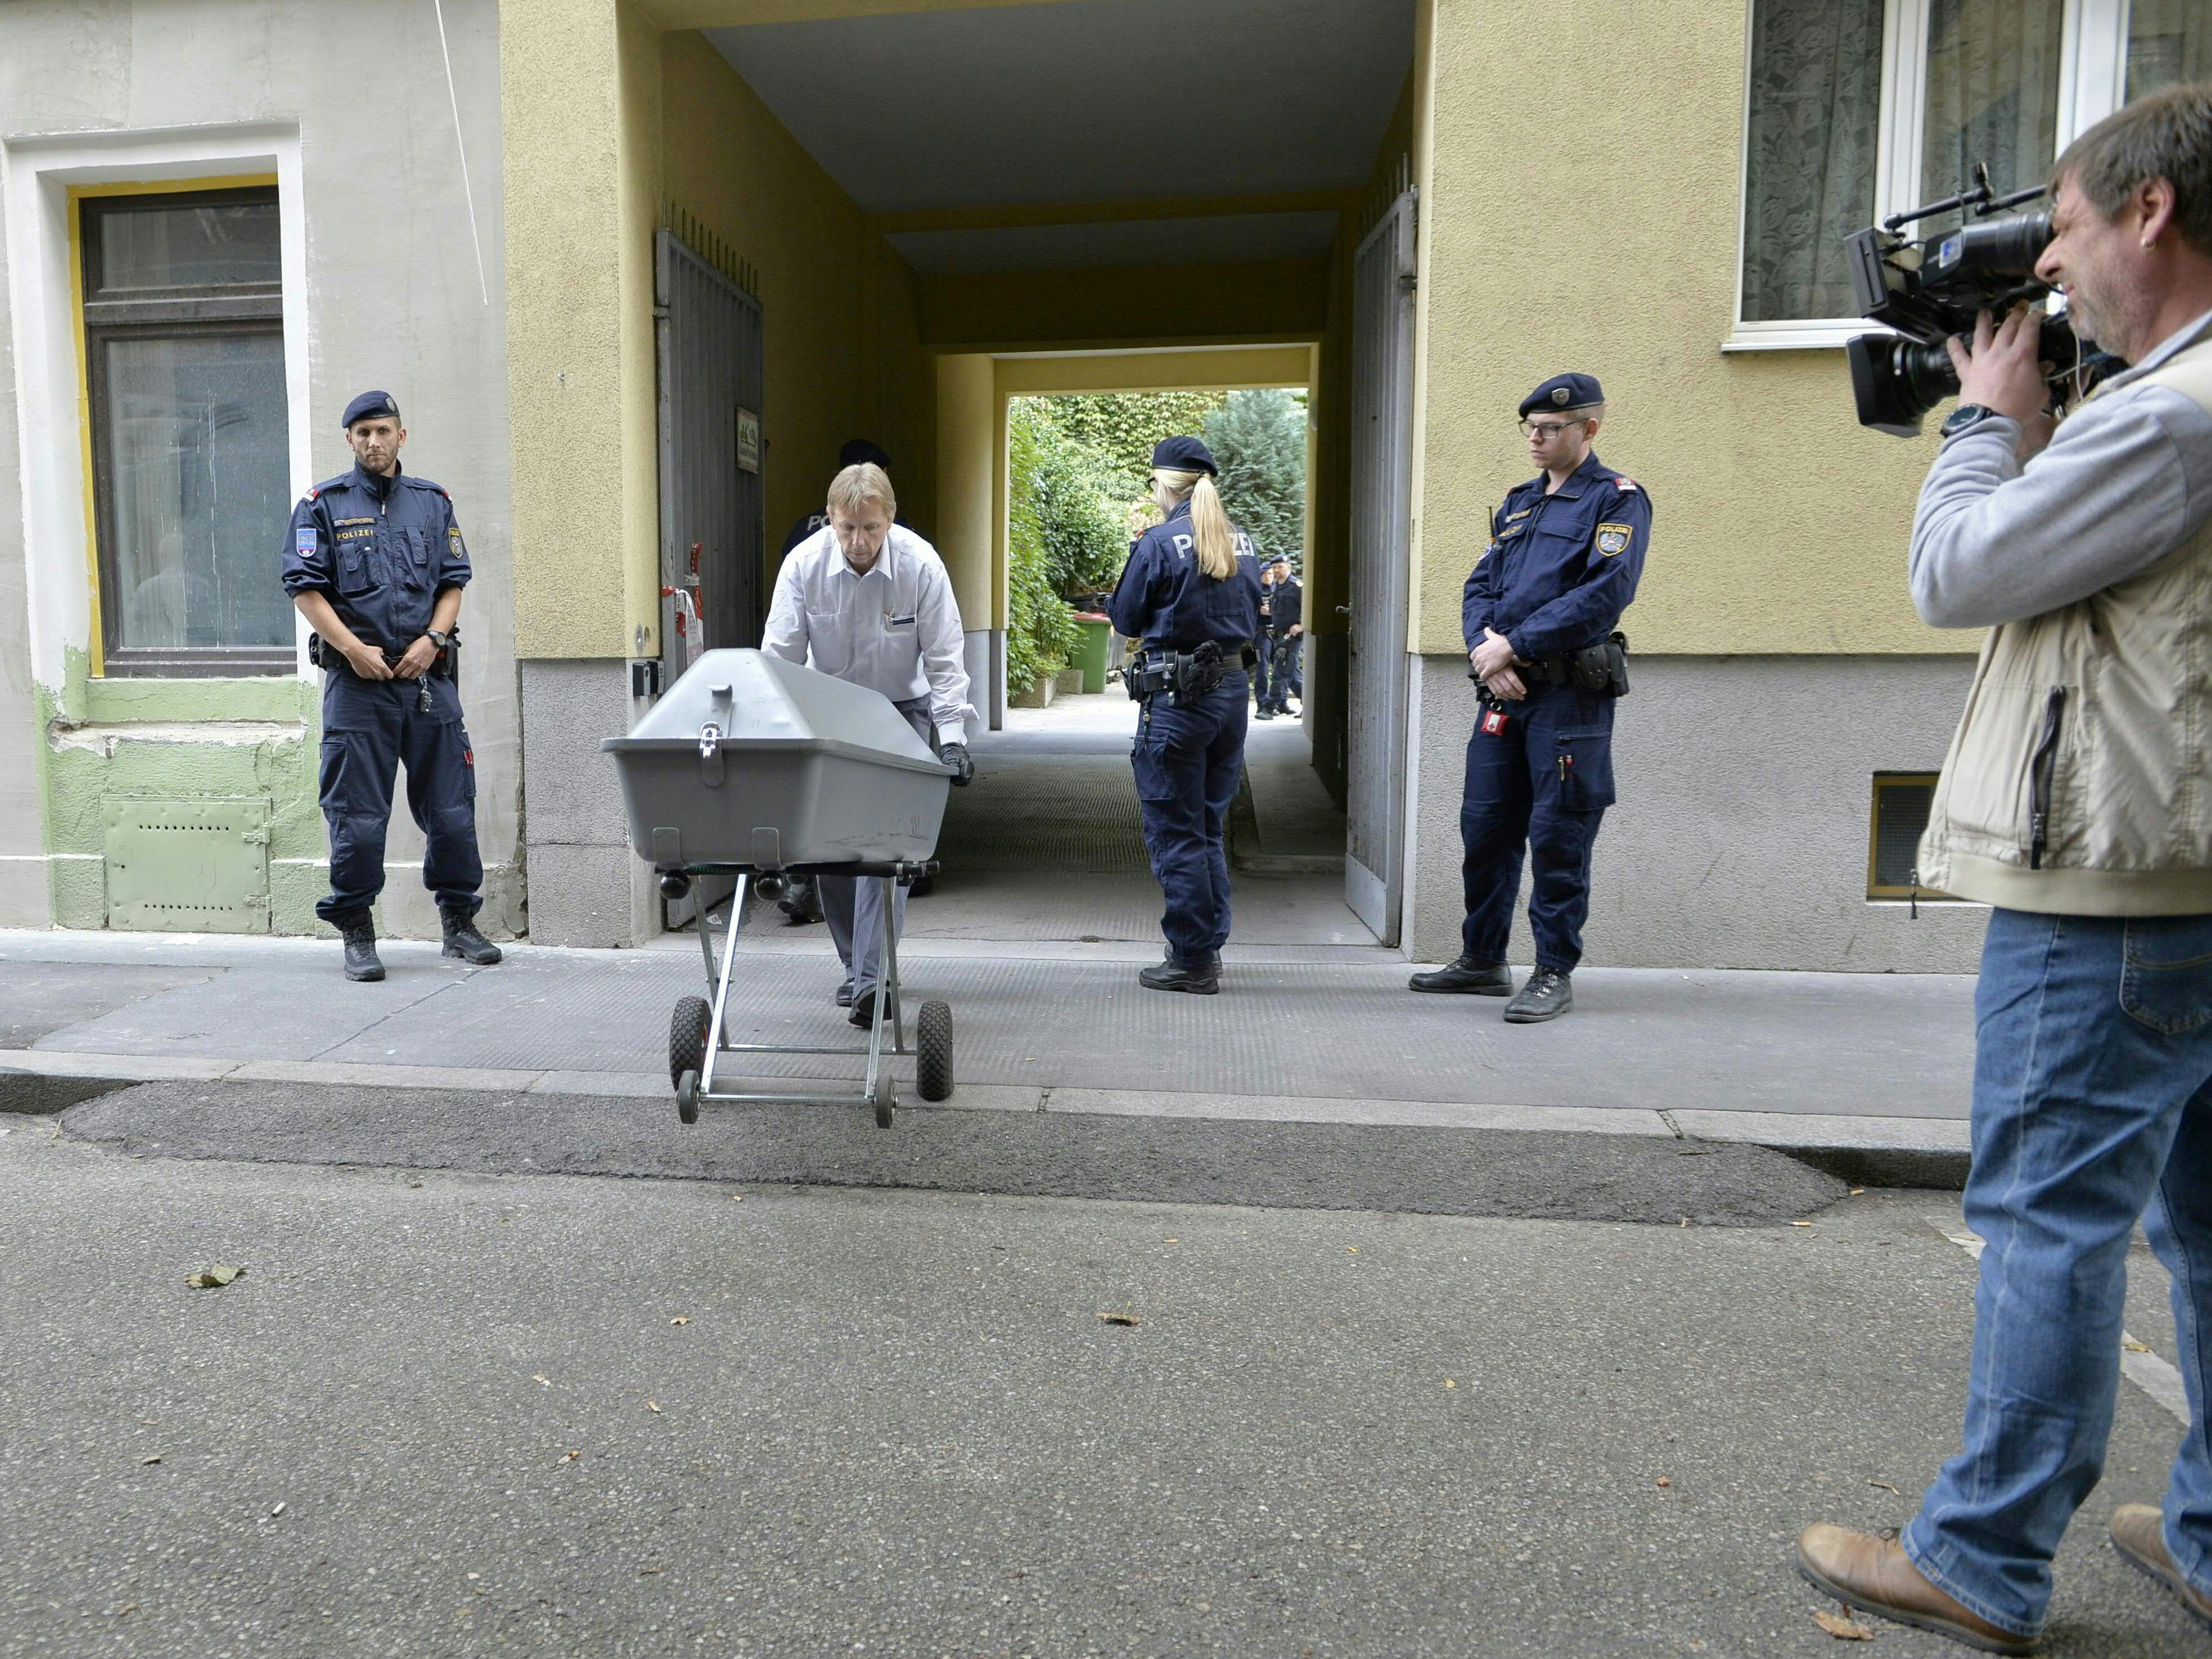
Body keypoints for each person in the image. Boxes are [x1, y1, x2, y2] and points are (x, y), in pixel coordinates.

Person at [1797, 86, 2212, 1654]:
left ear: (2149, 212)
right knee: (2205, 1232)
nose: (2051, 263)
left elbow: (1955, 570)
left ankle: (1975, 1558)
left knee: (2047, 1219)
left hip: (2110, 893)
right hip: (2191, 865)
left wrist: (1984, 421)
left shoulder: (2170, 414)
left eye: (2066, 224)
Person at [1409, 372, 1649, 1023]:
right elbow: (1477, 587)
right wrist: (1486, 655)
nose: (1536, 440)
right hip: (1502, 694)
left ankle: (1552, 971)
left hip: (1568, 699)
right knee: (1484, 829)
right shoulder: (1519, 503)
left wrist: (1511, 646)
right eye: (1530, 430)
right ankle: (1483, 959)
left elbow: (1602, 593)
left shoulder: (1616, 500)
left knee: (1557, 836)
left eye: (1549, 430)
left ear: (1587, 430)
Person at [281, 391, 501, 982]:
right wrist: (352, 650)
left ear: (401, 435)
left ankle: (458, 923)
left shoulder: (431, 503)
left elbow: (453, 582)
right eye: (361, 433)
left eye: (382, 431)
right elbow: (305, 589)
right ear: (348, 440)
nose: (372, 442)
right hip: (358, 689)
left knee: (453, 811)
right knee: (356, 816)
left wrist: (433, 638)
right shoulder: (322, 505)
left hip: (429, 682)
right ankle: (356, 928)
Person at [762, 462, 974, 1024]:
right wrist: (775, 739)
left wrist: (951, 738)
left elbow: (946, 659)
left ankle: (871, 981)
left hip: (902, 715)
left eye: (871, 530)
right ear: (830, 519)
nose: (858, 543)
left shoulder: (920, 565)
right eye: (847, 529)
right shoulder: (803, 566)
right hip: (826, 716)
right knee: (832, 854)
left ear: (890, 520)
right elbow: (779, 659)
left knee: (886, 851)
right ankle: (857, 969)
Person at [1109, 436, 1264, 995]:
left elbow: (1126, 617)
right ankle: (1205, 948)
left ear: (1163, 483)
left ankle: (1192, 959)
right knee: (1204, 828)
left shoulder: (1157, 542)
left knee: (1175, 833)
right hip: (1228, 696)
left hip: (1176, 703)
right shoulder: (1241, 541)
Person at [781, 439, 898, 555]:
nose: (858, 542)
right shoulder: (896, 531)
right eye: (847, 527)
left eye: (871, 527)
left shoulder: (804, 528)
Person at [1258, 556, 1303, 717]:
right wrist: (1269, 612)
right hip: (1278, 634)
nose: (1276, 571)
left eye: (1280, 567)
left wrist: (1301, 624)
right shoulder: (1276, 587)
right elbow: (1281, 610)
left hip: (1292, 636)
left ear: (1288, 567)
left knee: (1281, 671)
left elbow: (1308, 608)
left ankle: (1269, 707)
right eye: (1274, 567)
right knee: (1292, 672)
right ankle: (1310, 704)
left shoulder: (1297, 586)